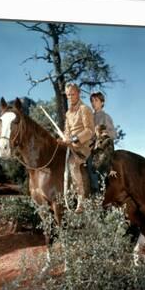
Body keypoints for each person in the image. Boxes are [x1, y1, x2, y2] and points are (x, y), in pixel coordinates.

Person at [57, 83, 95, 213]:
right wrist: (64, 140)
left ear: (78, 93)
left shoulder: (85, 109)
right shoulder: (68, 113)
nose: (70, 97)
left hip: (84, 146)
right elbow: (67, 131)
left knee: (72, 164)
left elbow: (90, 131)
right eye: (68, 95)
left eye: (72, 94)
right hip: (71, 146)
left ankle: (81, 200)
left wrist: (73, 139)